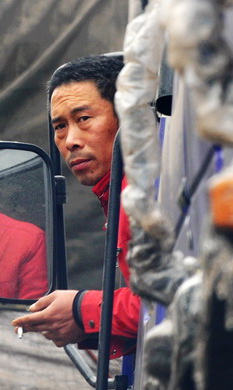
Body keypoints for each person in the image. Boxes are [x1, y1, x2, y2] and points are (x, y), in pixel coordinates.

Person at [12, 55, 141, 358]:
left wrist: (81, 310)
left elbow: (165, 305)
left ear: (125, 117)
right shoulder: (121, 191)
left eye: (83, 119)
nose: (70, 141)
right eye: (59, 126)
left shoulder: (140, 191)